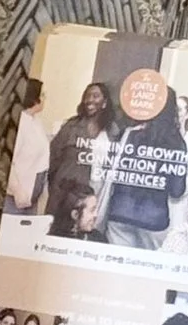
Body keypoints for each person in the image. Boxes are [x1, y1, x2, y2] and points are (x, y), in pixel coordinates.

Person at [95, 65, 188, 247]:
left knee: (117, 263)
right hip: (154, 219)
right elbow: (177, 190)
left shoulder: (128, 134)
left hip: (120, 212)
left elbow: (111, 171)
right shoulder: (176, 143)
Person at [46, 83, 111, 238]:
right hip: (65, 193)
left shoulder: (112, 131)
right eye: (87, 96)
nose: (90, 100)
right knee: (58, 232)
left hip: (95, 195)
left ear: (104, 102)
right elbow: (53, 157)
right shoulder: (71, 126)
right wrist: (58, 184)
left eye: (95, 96)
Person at [6, 75, 52, 215]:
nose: (45, 99)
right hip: (16, 198)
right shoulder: (19, 123)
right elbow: (8, 162)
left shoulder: (35, 121)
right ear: (34, 98)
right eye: (42, 95)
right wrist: (18, 191)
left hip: (32, 196)